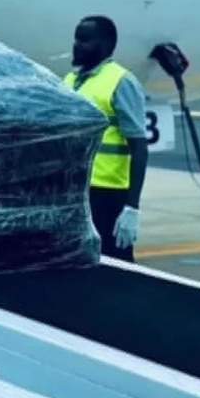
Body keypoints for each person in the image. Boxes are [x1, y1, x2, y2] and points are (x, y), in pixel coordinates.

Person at [64, 15, 148, 261]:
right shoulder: (70, 81)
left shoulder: (121, 82)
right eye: (76, 39)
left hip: (109, 196)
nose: (77, 45)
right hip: (77, 191)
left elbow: (139, 149)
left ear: (105, 44)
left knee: (114, 267)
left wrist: (132, 207)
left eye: (85, 40)